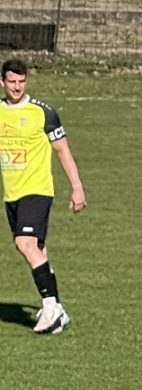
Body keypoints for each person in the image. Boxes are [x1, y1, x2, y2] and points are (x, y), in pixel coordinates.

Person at [1, 56, 85, 335]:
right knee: (37, 249)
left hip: (37, 190)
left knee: (25, 243)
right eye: (12, 81)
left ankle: (50, 307)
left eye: (21, 81)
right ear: (2, 82)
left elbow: (63, 150)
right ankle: (58, 310)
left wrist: (77, 187)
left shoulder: (43, 112)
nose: (17, 86)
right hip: (11, 194)